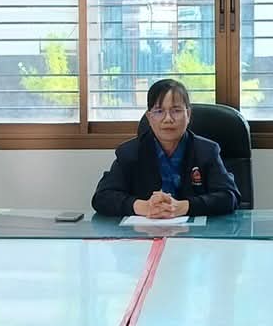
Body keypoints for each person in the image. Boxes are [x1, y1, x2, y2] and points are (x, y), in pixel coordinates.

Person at [91, 77, 240, 219]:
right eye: (159, 111)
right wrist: (144, 207)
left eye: (176, 110)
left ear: (188, 115)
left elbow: (230, 196)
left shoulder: (206, 151)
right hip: (144, 236)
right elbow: (102, 197)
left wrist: (184, 207)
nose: (168, 119)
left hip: (194, 239)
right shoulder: (130, 153)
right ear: (149, 118)